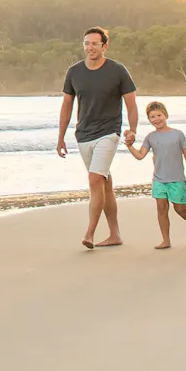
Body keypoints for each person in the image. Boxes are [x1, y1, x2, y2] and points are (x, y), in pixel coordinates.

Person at [55, 26, 139, 249]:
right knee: (104, 184)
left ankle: (89, 233)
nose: (89, 47)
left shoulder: (118, 71)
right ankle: (115, 234)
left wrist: (132, 129)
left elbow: (131, 103)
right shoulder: (74, 72)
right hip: (83, 134)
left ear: (105, 46)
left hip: (109, 132)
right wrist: (60, 136)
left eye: (94, 43)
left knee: (94, 180)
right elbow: (66, 105)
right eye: (86, 43)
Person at [123, 101, 186, 249]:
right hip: (159, 180)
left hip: (177, 179)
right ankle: (166, 240)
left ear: (165, 115)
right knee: (161, 208)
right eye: (152, 117)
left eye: (159, 115)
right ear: (149, 119)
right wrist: (129, 146)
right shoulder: (150, 137)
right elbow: (140, 155)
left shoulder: (177, 134)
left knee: (180, 210)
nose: (156, 119)